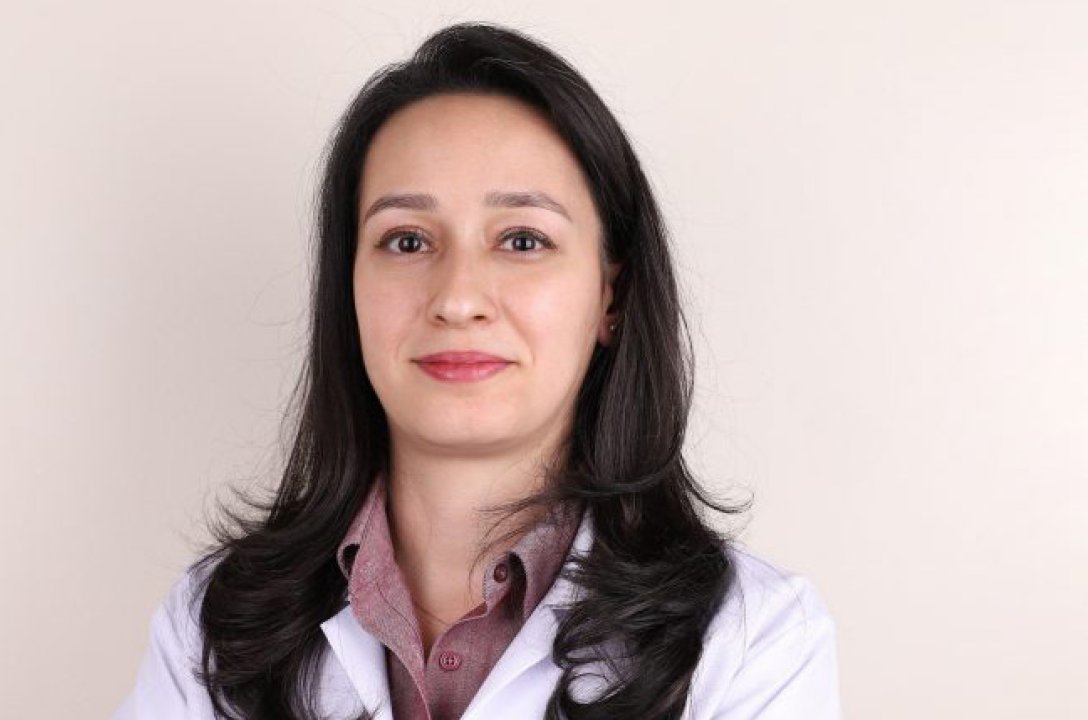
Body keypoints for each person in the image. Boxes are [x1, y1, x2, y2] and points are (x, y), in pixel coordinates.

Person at [113, 21, 840, 720]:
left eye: (522, 240)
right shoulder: (211, 624)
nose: (458, 299)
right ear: (348, 287)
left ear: (609, 297)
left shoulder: (752, 641)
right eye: (406, 241)